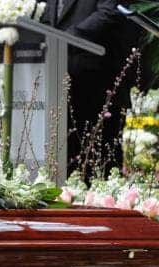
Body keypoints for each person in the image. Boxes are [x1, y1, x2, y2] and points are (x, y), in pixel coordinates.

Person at [43, 0, 137, 179]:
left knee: (99, 169)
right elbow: (48, 19)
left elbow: (109, 12)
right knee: (67, 171)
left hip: (98, 89)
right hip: (60, 88)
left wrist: (67, 37)